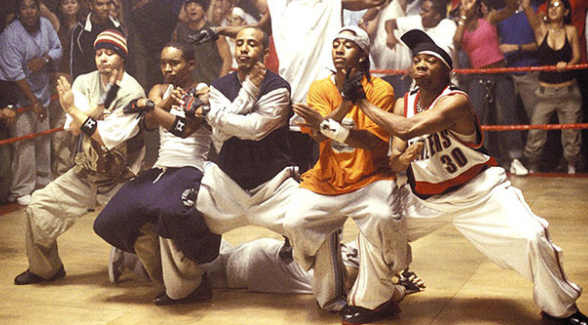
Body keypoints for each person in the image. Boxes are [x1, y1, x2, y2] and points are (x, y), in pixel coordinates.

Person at [340, 28, 587, 325]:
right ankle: (375, 301)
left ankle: (560, 310)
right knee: (376, 225)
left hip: (478, 192)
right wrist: (401, 160)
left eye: (430, 61)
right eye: (417, 60)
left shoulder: (456, 101)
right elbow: (395, 156)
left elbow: (408, 128)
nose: (421, 64)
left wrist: (362, 102)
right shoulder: (403, 104)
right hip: (427, 198)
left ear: (447, 71)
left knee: (533, 236)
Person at [214, 0, 387, 173]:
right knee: (291, 173)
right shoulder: (276, 0)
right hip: (288, 100)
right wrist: (219, 30)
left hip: (326, 100)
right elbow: (259, 31)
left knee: (327, 171)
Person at [284, 26, 407, 314]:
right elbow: (318, 136)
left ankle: (395, 279)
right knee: (295, 222)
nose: (339, 49)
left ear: (363, 55)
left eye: (348, 45)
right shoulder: (320, 87)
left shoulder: (381, 90)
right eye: (336, 44)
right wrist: (345, 105)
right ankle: (334, 273)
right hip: (327, 178)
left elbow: (373, 141)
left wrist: (329, 122)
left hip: (371, 178)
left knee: (384, 217)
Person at [173, 26, 299, 305]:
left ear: (265, 52)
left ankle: (330, 290)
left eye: (251, 44)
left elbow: (254, 129)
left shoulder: (278, 88)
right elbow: (222, 133)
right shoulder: (219, 86)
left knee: (313, 219)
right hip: (226, 182)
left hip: (273, 184)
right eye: (239, 43)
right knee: (174, 212)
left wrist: (205, 111)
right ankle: (187, 286)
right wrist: (238, 100)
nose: (243, 49)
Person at [93, 41, 221, 305]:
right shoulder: (160, 89)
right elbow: (150, 123)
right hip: (161, 168)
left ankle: (193, 280)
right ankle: (166, 276)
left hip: (190, 167)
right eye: (164, 63)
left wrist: (151, 106)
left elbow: (185, 129)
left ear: (190, 65)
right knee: (107, 220)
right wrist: (163, 102)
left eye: (174, 63)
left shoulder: (204, 92)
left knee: (171, 212)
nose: (167, 69)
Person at [14, 30, 145, 285]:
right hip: (85, 173)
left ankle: (161, 271)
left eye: (110, 53)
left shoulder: (132, 91)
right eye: (99, 53)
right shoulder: (85, 81)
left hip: (121, 178)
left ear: (122, 57)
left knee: (144, 228)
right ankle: (45, 269)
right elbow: (76, 128)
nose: (103, 58)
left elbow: (104, 137)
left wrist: (76, 109)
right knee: (38, 206)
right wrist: (98, 106)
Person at [453, 0, 528, 175]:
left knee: (509, 117)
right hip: (479, 77)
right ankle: (480, 159)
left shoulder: (489, 19)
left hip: (501, 74)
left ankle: (515, 158)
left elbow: (512, 7)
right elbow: (457, 41)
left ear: (478, 6)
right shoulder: (461, 28)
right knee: (477, 118)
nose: (467, 5)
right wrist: (463, 15)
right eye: (463, 3)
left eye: (470, 2)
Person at [0, 0, 62, 206]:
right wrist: (34, 102)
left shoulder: (46, 25)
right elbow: (15, 73)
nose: (29, 11)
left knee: (43, 140)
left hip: (42, 92)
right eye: (24, 8)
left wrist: (44, 59)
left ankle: (43, 182)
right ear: (18, 13)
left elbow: (57, 48)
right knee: (24, 143)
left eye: (32, 7)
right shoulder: (10, 35)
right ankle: (21, 189)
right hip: (19, 96)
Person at [522, 0, 582, 174]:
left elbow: (577, 56)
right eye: (551, 6)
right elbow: (526, 6)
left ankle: (572, 167)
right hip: (545, 91)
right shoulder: (541, 30)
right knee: (536, 133)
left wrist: (568, 65)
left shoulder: (571, 30)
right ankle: (532, 168)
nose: (553, 8)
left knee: (571, 133)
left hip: (568, 90)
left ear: (565, 11)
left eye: (558, 6)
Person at [496, 0, 540, 123]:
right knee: (503, 118)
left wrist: (517, 47)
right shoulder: (499, 15)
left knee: (536, 117)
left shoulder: (533, 12)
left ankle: (536, 142)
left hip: (530, 72)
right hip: (506, 74)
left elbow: (542, 44)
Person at [173, 0, 232, 84]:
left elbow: (227, 59)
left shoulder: (214, 30)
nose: (193, 8)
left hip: (212, 83)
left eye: (197, 5)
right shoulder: (180, 31)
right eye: (189, 5)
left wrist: (219, 84)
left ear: (204, 10)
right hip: (188, 85)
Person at [70, 0, 125, 79]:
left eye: (108, 4)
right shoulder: (80, 30)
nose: (105, 8)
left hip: (115, 80)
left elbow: (126, 59)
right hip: (89, 82)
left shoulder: (118, 27)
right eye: (100, 4)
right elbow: (75, 65)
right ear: (91, 6)